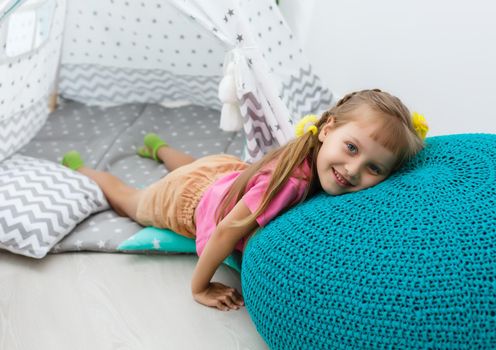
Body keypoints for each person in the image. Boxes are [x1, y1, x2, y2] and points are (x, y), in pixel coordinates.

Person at [61, 89, 428, 311]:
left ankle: (158, 148)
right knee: (131, 200)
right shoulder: (290, 183)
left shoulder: (307, 160)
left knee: (193, 166)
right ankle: (84, 170)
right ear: (328, 128)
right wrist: (200, 287)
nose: (352, 169)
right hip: (186, 201)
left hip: (226, 175)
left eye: (374, 168)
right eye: (351, 148)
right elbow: (225, 231)